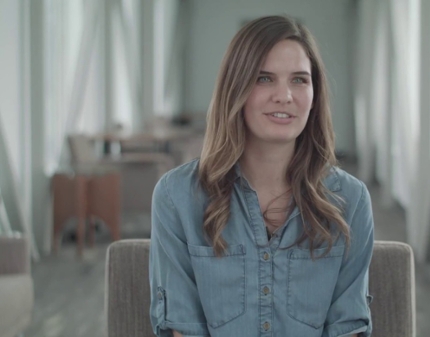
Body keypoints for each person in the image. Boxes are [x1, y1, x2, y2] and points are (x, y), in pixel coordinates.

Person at [149, 15, 374, 337]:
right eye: (264, 78)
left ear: (315, 94)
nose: (284, 96)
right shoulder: (177, 196)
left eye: (299, 79)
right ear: (235, 88)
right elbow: (181, 327)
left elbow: (348, 326)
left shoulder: (350, 199)